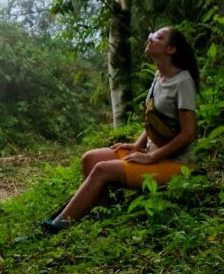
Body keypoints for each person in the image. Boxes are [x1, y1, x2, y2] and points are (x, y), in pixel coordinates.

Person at [41, 26, 199, 234]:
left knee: (102, 170)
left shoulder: (183, 82)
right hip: (151, 153)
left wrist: (152, 158)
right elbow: (153, 120)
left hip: (175, 163)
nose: (150, 39)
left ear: (170, 49)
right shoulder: (158, 77)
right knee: (90, 158)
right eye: (151, 35)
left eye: (158, 37)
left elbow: (188, 134)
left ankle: (58, 226)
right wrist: (137, 146)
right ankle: (106, 215)